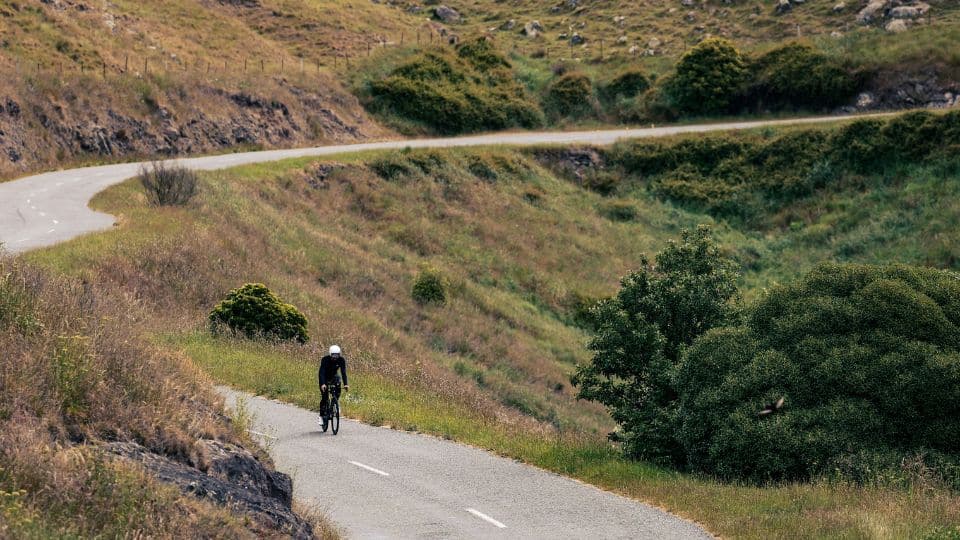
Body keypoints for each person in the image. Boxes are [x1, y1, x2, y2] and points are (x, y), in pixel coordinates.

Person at [319, 345, 349, 421]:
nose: (335, 357)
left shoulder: (341, 360)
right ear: (330, 354)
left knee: (338, 382)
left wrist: (345, 384)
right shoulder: (325, 359)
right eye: (333, 355)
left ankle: (336, 403)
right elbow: (321, 372)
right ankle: (321, 416)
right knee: (324, 397)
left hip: (333, 376)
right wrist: (323, 384)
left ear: (339, 354)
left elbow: (343, 372)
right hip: (324, 377)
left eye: (337, 355)